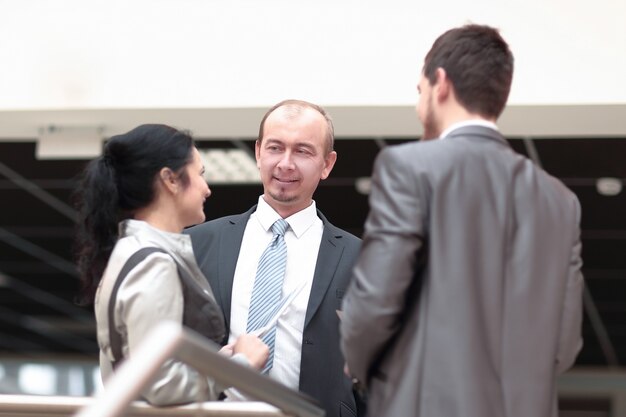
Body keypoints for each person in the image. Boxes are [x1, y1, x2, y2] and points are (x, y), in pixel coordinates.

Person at [340, 24, 584, 417]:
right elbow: (565, 343)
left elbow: (371, 307)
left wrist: (369, 372)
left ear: (440, 84)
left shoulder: (409, 167)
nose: (420, 106)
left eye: (419, 93)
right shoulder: (560, 200)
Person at [187, 100, 363, 417]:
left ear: (327, 164)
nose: (285, 163)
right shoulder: (197, 244)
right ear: (258, 152)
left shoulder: (361, 259)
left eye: (303, 151)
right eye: (275, 148)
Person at [74, 124, 268, 406]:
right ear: (171, 180)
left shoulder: (131, 252)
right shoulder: (153, 263)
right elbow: (160, 385)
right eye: (200, 174)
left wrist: (221, 363)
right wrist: (241, 366)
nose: (207, 188)